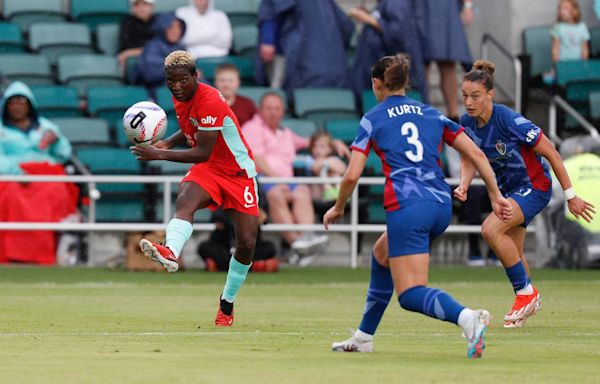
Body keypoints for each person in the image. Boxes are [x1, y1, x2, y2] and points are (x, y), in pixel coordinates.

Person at [324, 55, 513, 358]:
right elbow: (476, 153)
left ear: (376, 83)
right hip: (440, 204)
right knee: (381, 254)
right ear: (405, 82)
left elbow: (352, 174)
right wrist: (494, 194)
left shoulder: (373, 117)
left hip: (408, 205)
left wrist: (339, 206)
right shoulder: (431, 114)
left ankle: (468, 318)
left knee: (411, 294)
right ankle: (363, 337)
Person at [457, 60, 595, 327]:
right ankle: (525, 304)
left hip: (535, 186)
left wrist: (571, 196)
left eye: (475, 96)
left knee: (490, 229)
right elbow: (469, 157)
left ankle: (526, 293)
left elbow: (552, 153)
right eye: (464, 96)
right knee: (515, 252)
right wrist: (464, 184)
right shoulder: (468, 122)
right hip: (510, 191)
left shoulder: (509, 119)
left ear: (490, 95)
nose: (469, 102)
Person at [130, 50, 259, 327]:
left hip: (237, 172)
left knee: (247, 244)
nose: (176, 87)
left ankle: (227, 302)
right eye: (170, 81)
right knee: (186, 199)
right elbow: (192, 126)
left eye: (182, 81)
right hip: (210, 169)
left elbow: (202, 150)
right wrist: (169, 142)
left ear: (195, 77)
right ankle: (170, 252)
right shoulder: (181, 97)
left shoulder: (210, 100)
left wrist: (159, 154)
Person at [242, 93, 343, 257]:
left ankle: (307, 239)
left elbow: (310, 142)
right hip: (262, 181)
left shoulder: (286, 133)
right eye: (268, 108)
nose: (273, 112)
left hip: (288, 181)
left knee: (303, 191)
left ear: (283, 112)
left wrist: (333, 142)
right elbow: (257, 160)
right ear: (260, 110)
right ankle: (296, 243)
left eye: (277, 108)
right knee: (275, 194)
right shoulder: (251, 129)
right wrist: (278, 180)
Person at [0, 81, 78, 265]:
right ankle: (15, 253)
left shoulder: (46, 126)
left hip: (45, 178)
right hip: (11, 178)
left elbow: (63, 154)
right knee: (11, 197)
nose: (17, 106)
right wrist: (17, 173)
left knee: (58, 191)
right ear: (6, 105)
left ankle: (48, 251)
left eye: (22, 101)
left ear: (30, 104)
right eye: (13, 102)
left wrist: (56, 141)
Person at [256, 0, 354, 96]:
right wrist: (267, 40)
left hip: (301, 65)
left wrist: (267, 40)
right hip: (332, 72)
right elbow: (347, 27)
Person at [349, 0, 428, 103]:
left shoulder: (396, 3)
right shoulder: (385, 4)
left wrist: (367, 18)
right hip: (379, 84)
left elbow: (399, 33)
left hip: (392, 86)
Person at [415, 0, 474, 121]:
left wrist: (467, 6)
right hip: (419, 8)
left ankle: (454, 115)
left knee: (447, 62)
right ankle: (422, 113)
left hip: (445, 8)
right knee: (421, 64)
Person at [133, 13, 186, 93]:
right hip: (155, 91)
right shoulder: (153, 46)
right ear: (162, 29)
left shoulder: (180, 47)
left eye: (178, 27)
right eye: (171, 27)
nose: (175, 31)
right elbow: (150, 74)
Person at [545, 0, 590, 83]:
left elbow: (584, 48)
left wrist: (584, 65)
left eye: (565, 8)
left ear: (575, 11)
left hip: (578, 65)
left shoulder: (582, 27)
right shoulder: (557, 27)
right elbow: (555, 48)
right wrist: (557, 66)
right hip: (563, 65)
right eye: (559, 8)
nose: (561, 11)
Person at [305, 131, 346, 202]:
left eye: (322, 147)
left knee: (335, 173)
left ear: (329, 149)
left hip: (335, 192)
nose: (317, 150)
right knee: (322, 171)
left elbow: (343, 169)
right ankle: (328, 190)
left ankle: (339, 192)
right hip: (317, 193)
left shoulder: (333, 159)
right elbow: (315, 168)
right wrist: (328, 163)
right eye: (314, 146)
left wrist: (327, 163)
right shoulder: (309, 159)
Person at [117, 0, 156, 71]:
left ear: (152, 6)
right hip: (134, 60)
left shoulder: (158, 21)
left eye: (145, 4)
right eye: (136, 4)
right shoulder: (127, 22)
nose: (141, 8)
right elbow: (126, 45)